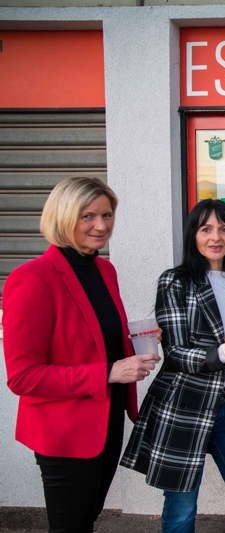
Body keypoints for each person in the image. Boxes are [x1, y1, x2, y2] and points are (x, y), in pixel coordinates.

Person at [3, 176, 160, 533]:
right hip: (65, 433)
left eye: (107, 215)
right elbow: (23, 377)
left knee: (86, 520)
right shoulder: (31, 279)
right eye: (88, 216)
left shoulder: (104, 269)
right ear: (62, 216)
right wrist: (109, 372)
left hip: (107, 422)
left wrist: (137, 343)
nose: (101, 226)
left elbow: (96, 341)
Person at [121, 199, 225, 533]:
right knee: (182, 511)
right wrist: (224, 354)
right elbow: (174, 353)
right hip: (184, 408)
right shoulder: (175, 282)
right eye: (206, 229)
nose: (216, 237)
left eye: (224, 229)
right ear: (193, 235)